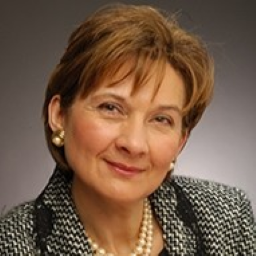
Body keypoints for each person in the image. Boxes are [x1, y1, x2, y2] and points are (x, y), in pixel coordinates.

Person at [0, 3, 255, 255]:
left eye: (161, 119)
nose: (134, 144)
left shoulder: (229, 219)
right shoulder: (12, 245)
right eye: (111, 108)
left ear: (181, 141)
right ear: (59, 115)